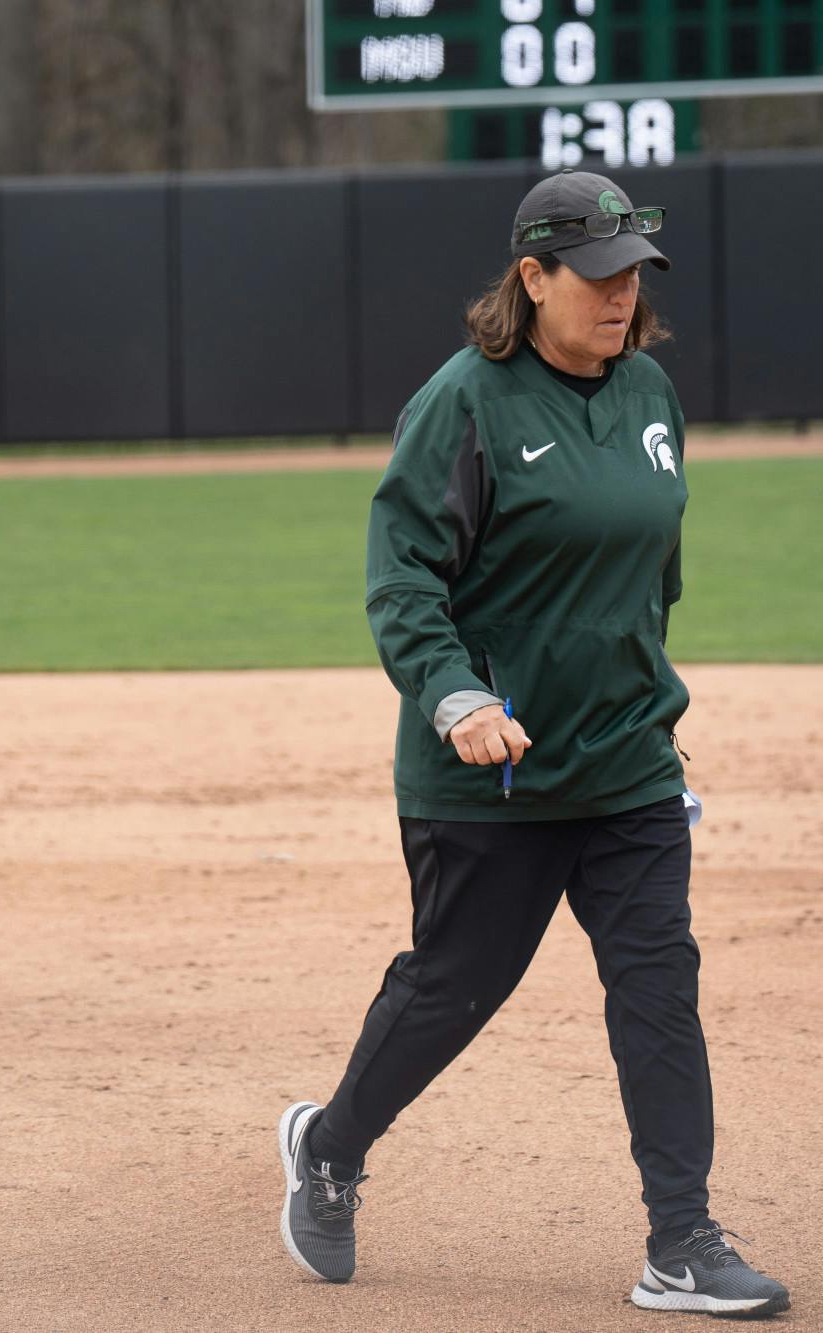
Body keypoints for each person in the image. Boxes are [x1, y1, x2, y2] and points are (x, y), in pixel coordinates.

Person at [276, 172, 790, 1318]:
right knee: (452, 989)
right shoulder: (462, 404)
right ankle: (331, 1144)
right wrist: (456, 699)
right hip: (490, 776)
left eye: (631, 277)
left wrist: (642, 693)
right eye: (596, 276)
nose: (619, 297)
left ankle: (680, 1239)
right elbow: (401, 577)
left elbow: (649, 570)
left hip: (626, 768)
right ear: (531, 278)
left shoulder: (648, 390)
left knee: (656, 989)